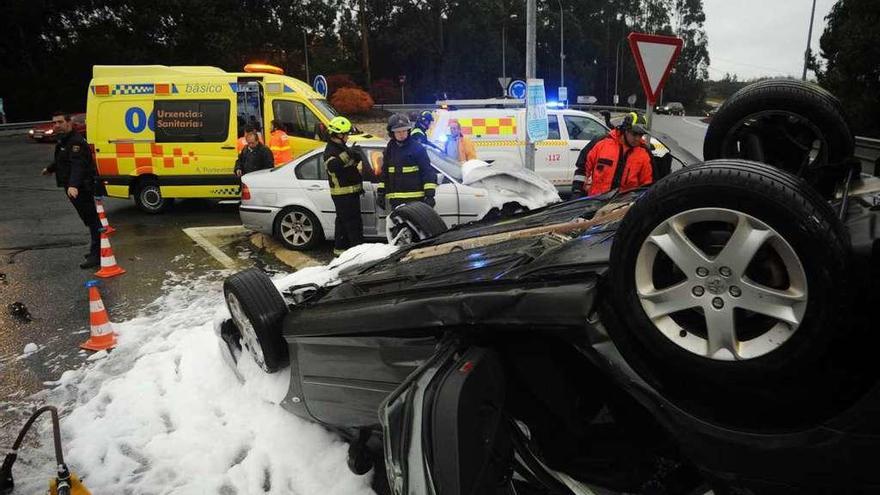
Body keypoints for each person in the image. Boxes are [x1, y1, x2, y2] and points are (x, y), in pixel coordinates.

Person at [41, 111, 101, 269]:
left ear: (69, 122)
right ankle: (98, 249)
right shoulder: (64, 140)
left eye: (60, 122)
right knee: (88, 219)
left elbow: (78, 165)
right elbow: (62, 160)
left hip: (81, 187)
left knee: (92, 220)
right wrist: (50, 168)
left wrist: (73, 185)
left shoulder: (76, 142)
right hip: (72, 187)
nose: (56, 125)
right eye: (55, 122)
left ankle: (97, 255)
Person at [571, 112, 653, 197]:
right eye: (634, 134)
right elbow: (582, 168)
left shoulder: (644, 153)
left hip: (624, 206)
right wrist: (577, 192)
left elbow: (647, 185)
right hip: (596, 203)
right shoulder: (601, 143)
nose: (637, 138)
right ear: (625, 130)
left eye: (641, 135)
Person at [322, 116, 364, 255]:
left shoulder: (341, 147)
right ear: (339, 134)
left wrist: (354, 156)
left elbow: (349, 167)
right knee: (353, 225)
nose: (348, 137)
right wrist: (348, 154)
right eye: (346, 134)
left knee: (343, 224)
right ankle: (357, 254)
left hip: (350, 194)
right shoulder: (331, 150)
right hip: (343, 196)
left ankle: (340, 251)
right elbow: (333, 166)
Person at [378, 114, 437, 210]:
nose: (401, 134)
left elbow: (427, 172)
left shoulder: (417, 148)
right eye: (398, 132)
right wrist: (381, 193)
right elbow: (384, 173)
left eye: (404, 131)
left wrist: (429, 196)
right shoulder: (389, 150)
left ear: (408, 131)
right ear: (392, 133)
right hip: (395, 202)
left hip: (415, 201)